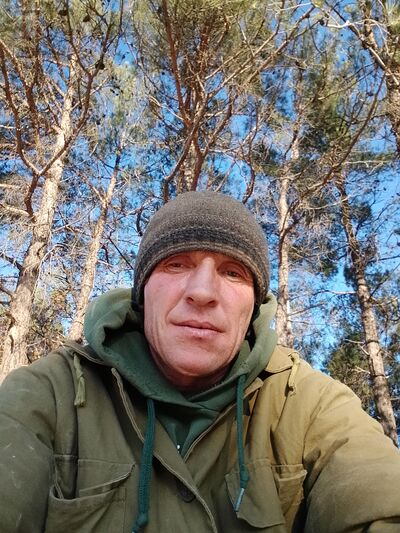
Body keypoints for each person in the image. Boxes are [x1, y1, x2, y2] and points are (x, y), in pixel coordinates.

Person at [0, 191, 399, 533]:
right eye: (177, 263)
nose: (203, 292)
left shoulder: (308, 405)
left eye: (233, 272)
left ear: (254, 307)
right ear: (143, 292)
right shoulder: (51, 394)